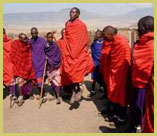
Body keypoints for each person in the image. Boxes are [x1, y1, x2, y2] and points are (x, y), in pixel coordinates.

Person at [62, 7, 94, 104]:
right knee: (69, 72)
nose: (72, 14)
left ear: (78, 14)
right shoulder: (67, 23)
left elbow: (84, 39)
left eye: (74, 12)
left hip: (78, 53)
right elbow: (67, 38)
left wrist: (83, 50)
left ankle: (78, 89)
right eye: (71, 12)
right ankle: (74, 91)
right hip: (68, 52)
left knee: (77, 72)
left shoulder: (81, 25)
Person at [100, 26, 131, 122]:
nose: (104, 37)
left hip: (122, 74)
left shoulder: (121, 43)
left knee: (120, 96)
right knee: (114, 94)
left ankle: (121, 118)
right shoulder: (114, 42)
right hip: (114, 73)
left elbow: (125, 60)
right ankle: (116, 114)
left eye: (105, 35)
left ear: (110, 34)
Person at [130, 16, 154, 132]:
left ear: (146, 27)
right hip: (137, 80)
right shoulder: (140, 42)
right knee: (136, 107)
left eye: (139, 27)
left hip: (146, 84)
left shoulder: (152, 44)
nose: (138, 29)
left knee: (143, 110)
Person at [11, 33, 36, 106]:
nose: (25, 40)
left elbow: (30, 53)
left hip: (28, 64)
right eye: (23, 39)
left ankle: (29, 94)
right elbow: (13, 55)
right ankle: (21, 97)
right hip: (19, 66)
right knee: (20, 83)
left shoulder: (28, 44)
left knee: (29, 81)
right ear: (20, 39)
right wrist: (17, 63)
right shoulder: (15, 44)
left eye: (26, 38)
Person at [30, 27, 47, 102]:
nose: (34, 34)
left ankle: (42, 95)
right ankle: (42, 92)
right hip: (34, 63)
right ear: (31, 33)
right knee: (36, 80)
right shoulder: (30, 41)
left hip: (41, 62)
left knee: (39, 80)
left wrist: (47, 56)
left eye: (35, 33)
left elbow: (46, 49)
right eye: (33, 33)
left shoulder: (42, 40)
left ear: (37, 33)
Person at [45, 32, 62, 104]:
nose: (50, 39)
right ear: (46, 38)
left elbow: (59, 55)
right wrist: (45, 57)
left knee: (57, 82)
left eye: (51, 37)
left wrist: (51, 60)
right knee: (52, 82)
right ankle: (54, 95)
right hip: (49, 67)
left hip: (56, 66)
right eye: (48, 37)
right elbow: (43, 53)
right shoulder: (45, 46)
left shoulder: (55, 45)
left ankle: (58, 97)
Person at [89, 29, 104, 97]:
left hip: (102, 63)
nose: (96, 35)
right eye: (96, 34)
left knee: (102, 76)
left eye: (97, 34)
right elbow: (92, 50)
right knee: (93, 77)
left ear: (101, 35)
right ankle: (93, 90)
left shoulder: (104, 43)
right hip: (95, 62)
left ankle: (102, 87)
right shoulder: (94, 43)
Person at [3, 28, 15, 100]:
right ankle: (13, 95)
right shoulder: (10, 41)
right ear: (5, 32)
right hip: (9, 63)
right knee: (11, 79)